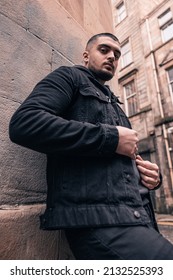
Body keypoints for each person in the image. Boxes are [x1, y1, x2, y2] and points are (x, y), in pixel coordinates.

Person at [9, 32, 173, 260]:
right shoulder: (69, 77)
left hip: (137, 217)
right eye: (104, 50)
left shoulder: (114, 102)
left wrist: (152, 178)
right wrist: (111, 138)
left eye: (117, 54)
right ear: (86, 56)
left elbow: (122, 162)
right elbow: (25, 123)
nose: (112, 58)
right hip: (98, 222)